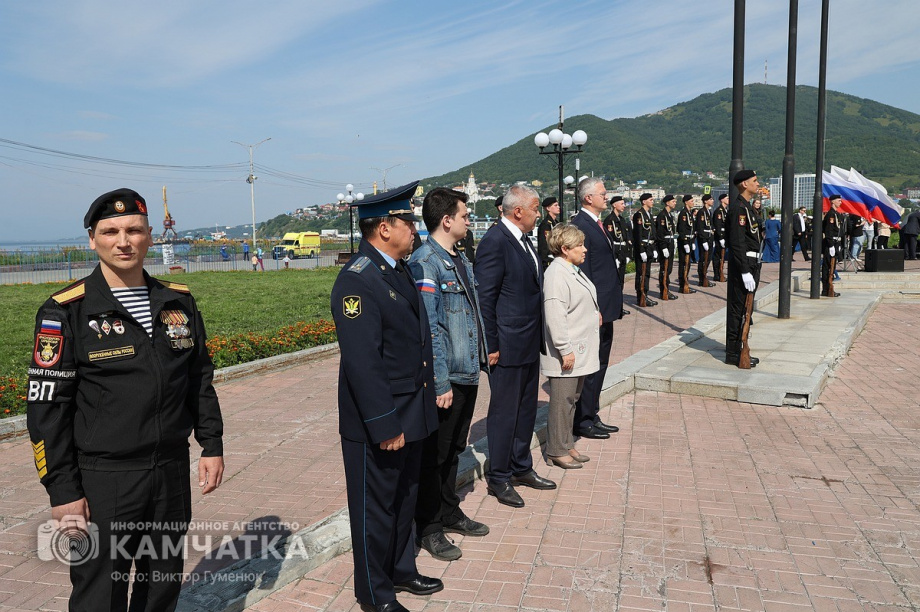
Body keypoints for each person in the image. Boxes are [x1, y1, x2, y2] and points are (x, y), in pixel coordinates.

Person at [27, 188, 225, 611]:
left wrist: (211, 443)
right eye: (110, 231)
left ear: (149, 236)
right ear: (92, 239)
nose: (123, 240)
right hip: (104, 479)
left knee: (161, 589)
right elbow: (46, 409)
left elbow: (198, 378)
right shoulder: (67, 311)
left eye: (133, 230)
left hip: (169, 472)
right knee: (100, 593)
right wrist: (62, 490)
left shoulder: (178, 302)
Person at [330, 181, 443, 612]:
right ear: (382, 229)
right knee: (374, 510)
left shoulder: (397, 269)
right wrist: (384, 423)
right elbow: (363, 362)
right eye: (408, 222)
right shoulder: (358, 280)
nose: (414, 229)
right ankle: (374, 594)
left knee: (405, 497)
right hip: (381, 418)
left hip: (411, 410)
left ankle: (401, 569)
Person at [408, 188, 490, 562]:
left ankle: (449, 510)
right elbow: (432, 329)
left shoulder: (458, 259)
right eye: (464, 214)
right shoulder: (426, 262)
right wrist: (439, 382)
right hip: (448, 377)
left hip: (466, 371)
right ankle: (428, 527)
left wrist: (484, 354)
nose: (468, 219)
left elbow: (470, 314)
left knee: (455, 449)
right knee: (435, 456)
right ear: (446, 220)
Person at [475, 184, 556, 509]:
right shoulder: (495, 241)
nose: (539, 213)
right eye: (535, 208)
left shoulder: (524, 241)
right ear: (518, 211)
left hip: (526, 343)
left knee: (525, 410)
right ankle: (499, 477)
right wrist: (491, 344)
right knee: (505, 414)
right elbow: (485, 299)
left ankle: (522, 467)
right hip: (506, 346)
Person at [540, 224, 600, 469]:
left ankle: (566, 443)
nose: (584, 250)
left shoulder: (572, 269)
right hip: (567, 351)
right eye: (579, 246)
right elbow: (555, 315)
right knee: (562, 401)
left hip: (579, 348)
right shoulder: (556, 274)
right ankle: (556, 449)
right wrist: (565, 349)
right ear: (564, 249)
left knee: (572, 399)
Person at [570, 178, 622, 441]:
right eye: (603, 193)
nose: (607, 196)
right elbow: (583, 271)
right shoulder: (581, 226)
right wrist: (594, 308)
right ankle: (583, 419)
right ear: (588, 197)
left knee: (601, 364)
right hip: (596, 308)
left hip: (607, 306)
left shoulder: (597, 224)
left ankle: (592, 412)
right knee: (590, 366)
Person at [725, 170, 763, 368]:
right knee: (738, 309)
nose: (758, 184)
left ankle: (740, 346)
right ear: (744, 184)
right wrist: (744, 270)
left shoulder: (748, 208)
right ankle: (733, 352)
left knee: (746, 310)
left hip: (753, 263)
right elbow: (738, 242)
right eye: (754, 181)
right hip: (745, 265)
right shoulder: (739, 209)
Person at [603, 195, 632, 315]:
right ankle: (615, 307)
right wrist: (613, 257)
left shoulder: (622, 220)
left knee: (621, 282)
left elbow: (626, 239)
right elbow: (609, 240)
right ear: (614, 205)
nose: (624, 205)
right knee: (615, 283)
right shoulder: (610, 220)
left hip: (622, 253)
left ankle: (619, 306)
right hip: (615, 254)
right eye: (622, 203)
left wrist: (628, 253)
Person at [632, 193, 658, 307]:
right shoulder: (639, 215)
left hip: (650, 247)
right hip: (643, 248)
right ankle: (640, 296)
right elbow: (638, 234)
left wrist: (655, 248)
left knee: (646, 273)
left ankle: (645, 294)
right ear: (644, 202)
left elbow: (653, 233)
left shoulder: (649, 215)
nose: (653, 202)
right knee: (641, 273)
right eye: (651, 200)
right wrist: (641, 250)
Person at [655, 195, 679, 301]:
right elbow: (660, 233)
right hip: (665, 244)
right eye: (673, 201)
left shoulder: (669, 215)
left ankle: (666, 289)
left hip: (670, 243)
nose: (675, 203)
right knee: (664, 269)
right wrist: (663, 247)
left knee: (668, 269)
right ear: (667, 203)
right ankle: (663, 290)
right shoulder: (662, 216)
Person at [822, 195, 845, 297]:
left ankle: (829, 289)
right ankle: (826, 289)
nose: (841, 202)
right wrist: (831, 245)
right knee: (827, 267)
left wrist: (839, 245)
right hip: (830, 244)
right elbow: (828, 231)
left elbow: (839, 231)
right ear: (833, 202)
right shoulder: (830, 215)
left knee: (832, 267)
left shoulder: (837, 214)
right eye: (839, 201)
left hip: (836, 243)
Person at [676, 195, 698, 294]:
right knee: (683, 264)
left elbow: (692, 230)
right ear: (686, 202)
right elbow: (681, 229)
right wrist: (685, 242)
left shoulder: (689, 213)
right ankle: (682, 285)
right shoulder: (683, 214)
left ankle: (685, 283)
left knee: (687, 264)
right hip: (684, 242)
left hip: (689, 241)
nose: (693, 202)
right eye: (691, 201)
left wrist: (692, 242)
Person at [537, 196, 562, 269]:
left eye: (558, 205)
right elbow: (544, 246)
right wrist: (545, 262)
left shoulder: (556, 223)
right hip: (549, 260)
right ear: (548, 208)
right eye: (555, 205)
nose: (558, 207)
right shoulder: (546, 225)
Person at [695, 194, 714, 287]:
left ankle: (705, 277)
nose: (712, 201)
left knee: (708, 259)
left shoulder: (708, 212)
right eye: (710, 199)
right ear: (705, 201)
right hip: (704, 238)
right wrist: (703, 241)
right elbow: (700, 227)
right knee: (703, 259)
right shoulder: (701, 212)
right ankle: (702, 279)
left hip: (709, 237)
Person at [712, 193, 729, 282]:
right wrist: (721, 237)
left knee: (721, 256)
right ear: (722, 200)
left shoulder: (725, 211)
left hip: (725, 235)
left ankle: (720, 272)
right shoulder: (719, 211)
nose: (728, 199)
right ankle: (717, 274)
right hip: (720, 236)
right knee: (718, 256)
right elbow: (718, 225)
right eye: (726, 198)